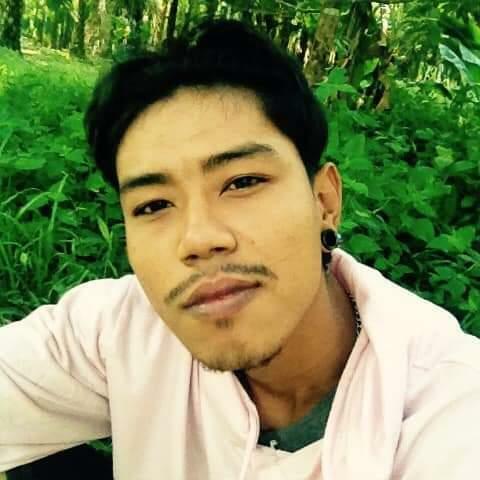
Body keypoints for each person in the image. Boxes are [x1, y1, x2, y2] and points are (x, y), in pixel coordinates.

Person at [1, 19, 480, 480]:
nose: (198, 238)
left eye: (243, 182)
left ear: (324, 202)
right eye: (153, 205)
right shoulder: (119, 333)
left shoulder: (449, 412)